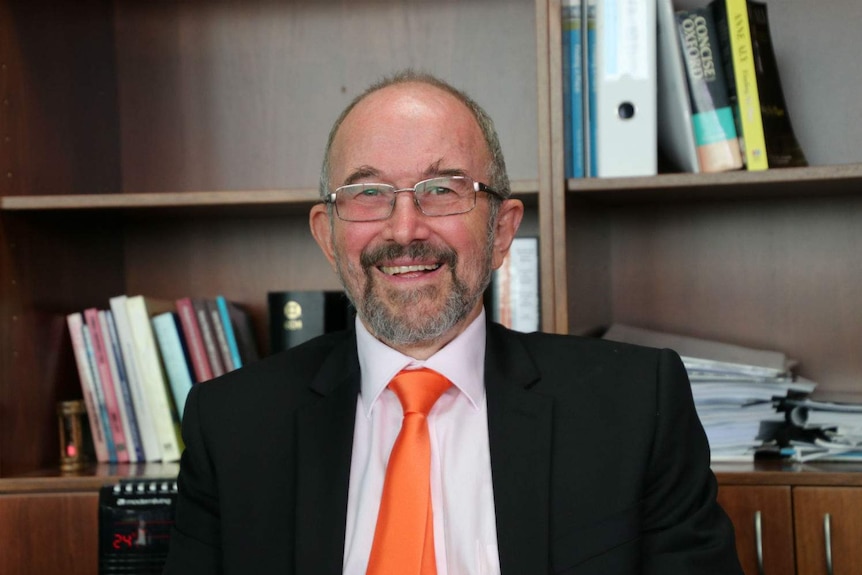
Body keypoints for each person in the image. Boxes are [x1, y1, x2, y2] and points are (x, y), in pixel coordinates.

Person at [163, 70, 743, 575]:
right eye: (368, 193)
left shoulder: (637, 405)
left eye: (441, 189)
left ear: (502, 231)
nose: (405, 229)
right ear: (328, 234)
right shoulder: (231, 426)